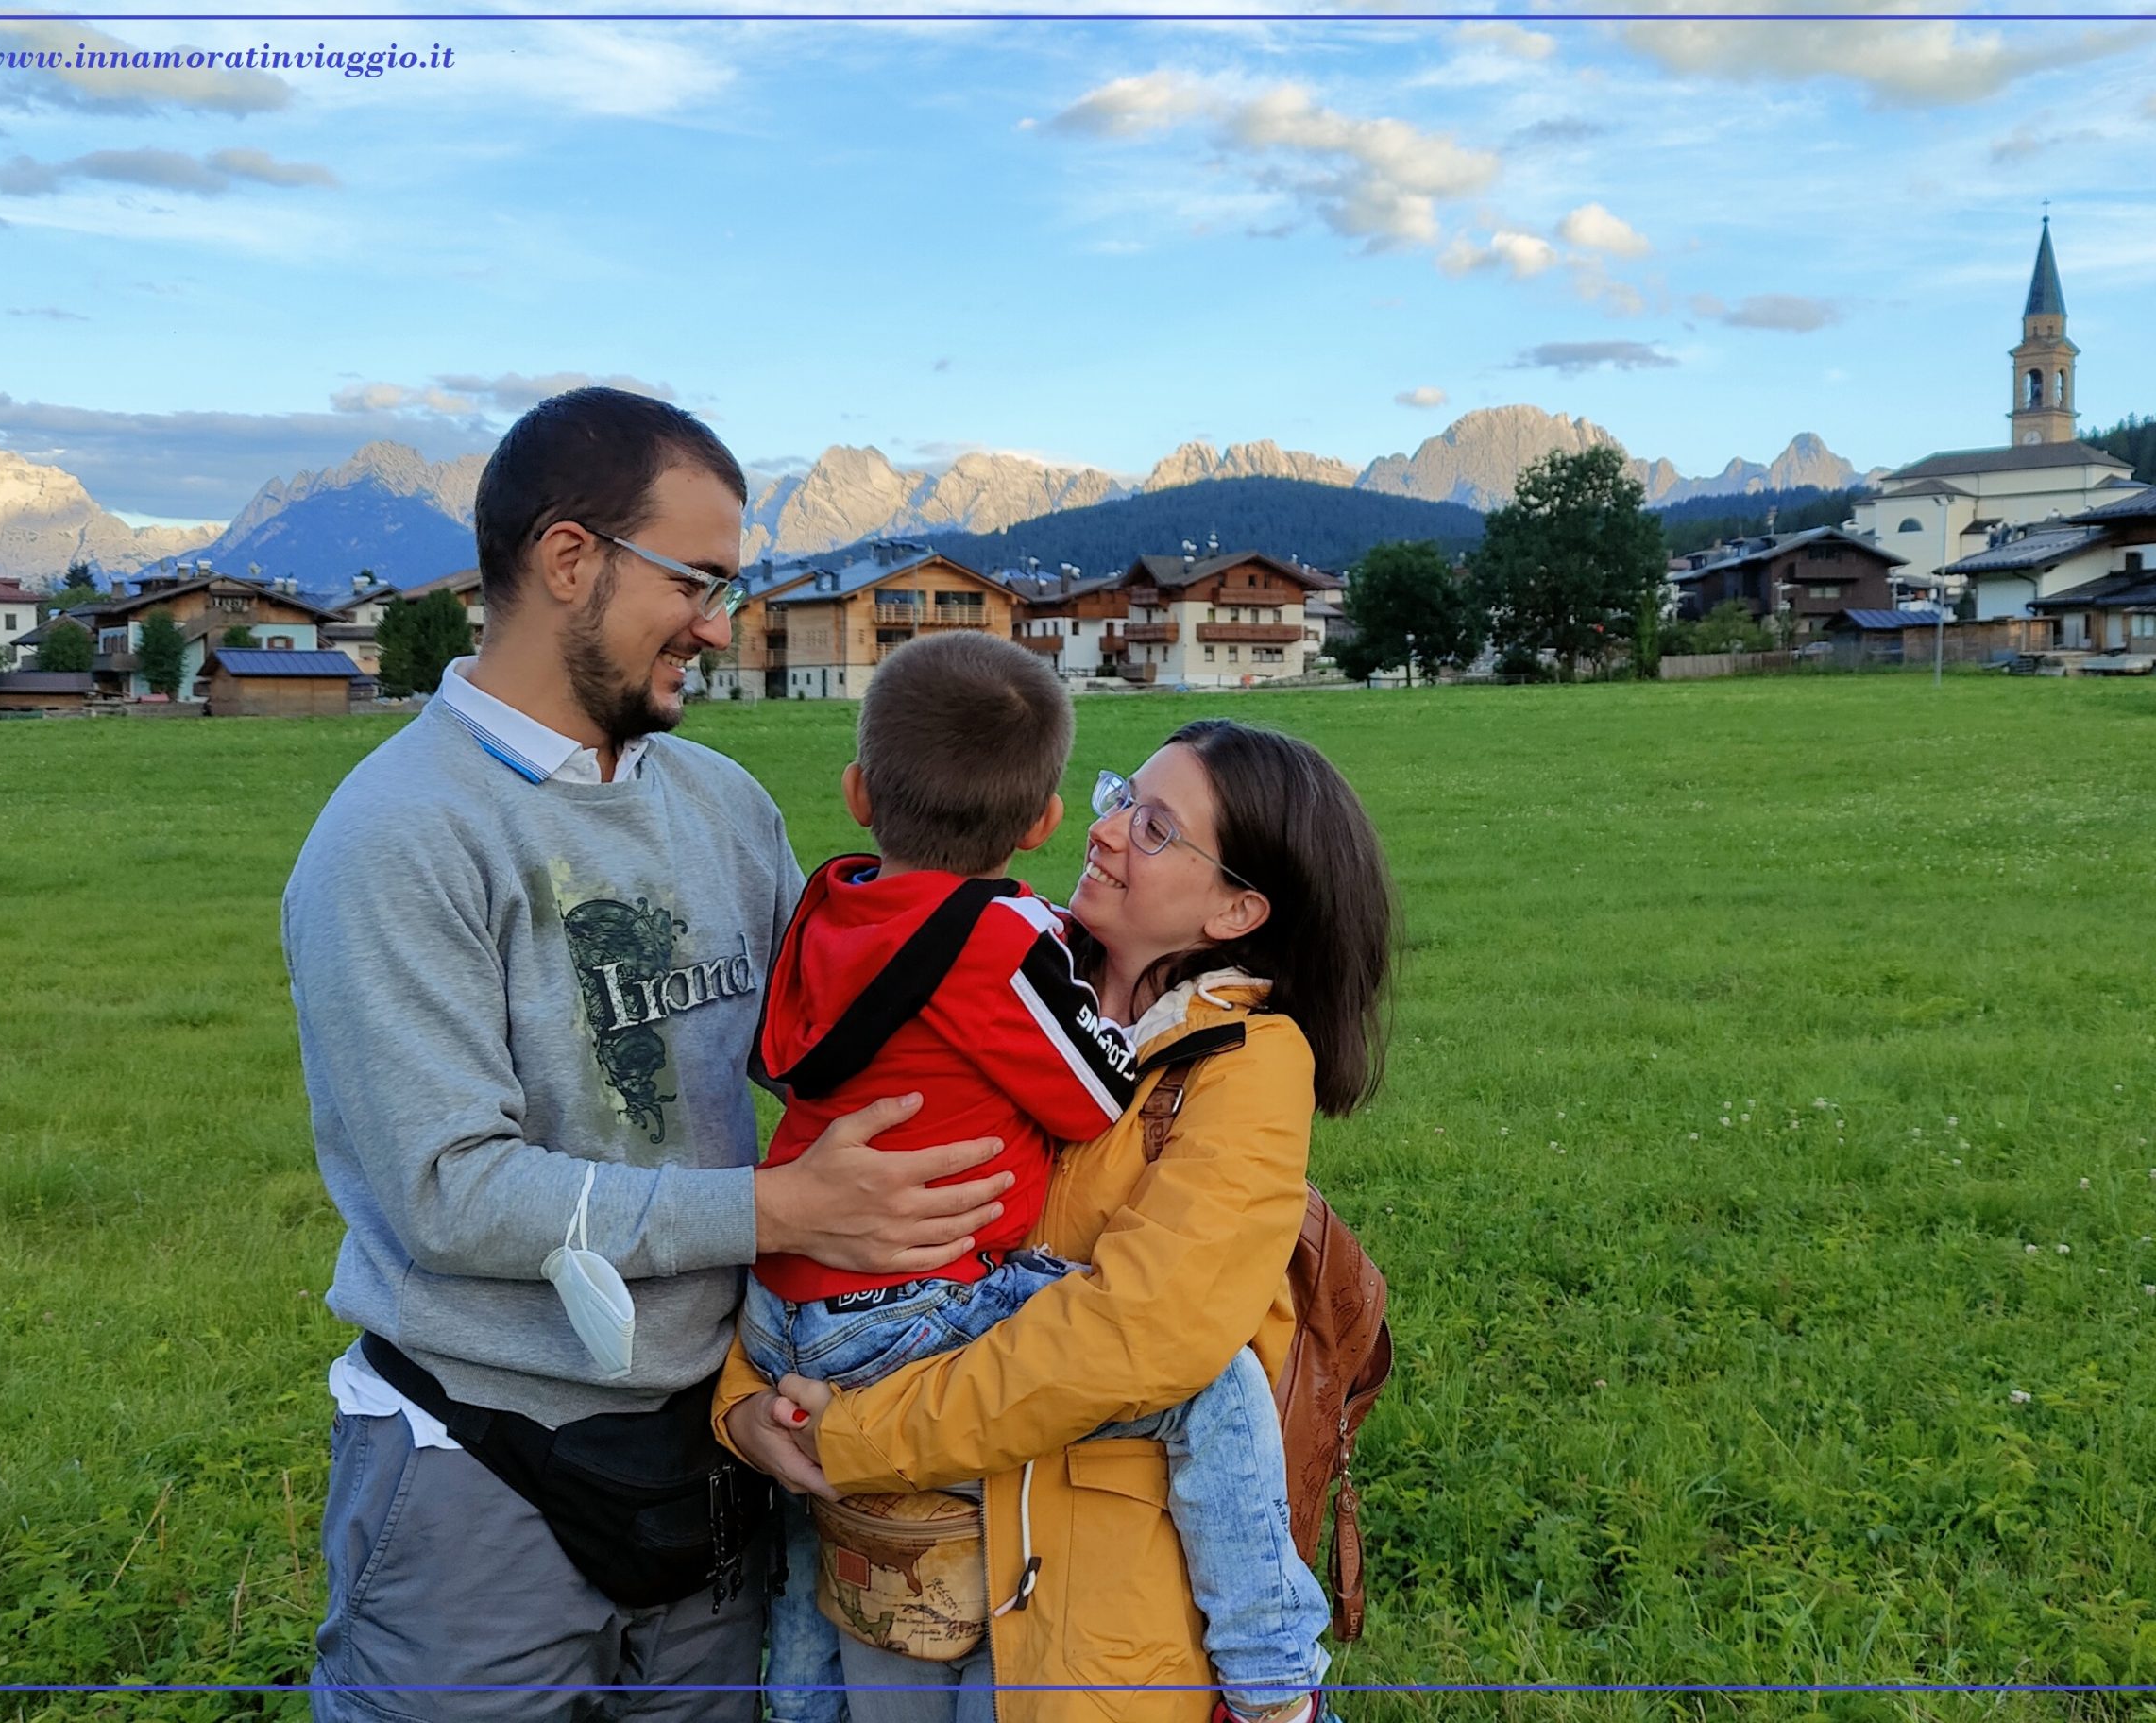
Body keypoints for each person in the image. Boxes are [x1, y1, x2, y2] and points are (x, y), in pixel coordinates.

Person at [283, 386, 1015, 1721]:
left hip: (722, 1447)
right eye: (695, 581)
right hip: (478, 1472)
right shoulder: (400, 834)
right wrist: (777, 1211)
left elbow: (842, 1051)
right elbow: (449, 1192)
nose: (719, 627)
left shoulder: (724, 805)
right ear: (569, 558)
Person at [717, 718, 1397, 1723]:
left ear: (1236, 909)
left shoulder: (1248, 1066)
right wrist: (743, 1401)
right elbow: (821, 1199)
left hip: (1079, 1629)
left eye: (1156, 828)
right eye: (1122, 798)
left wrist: (849, 1436)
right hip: (898, 1579)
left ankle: (1277, 1688)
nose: (1106, 829)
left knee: (1213, 1383)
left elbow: (1140, 1338)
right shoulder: (981, 973)